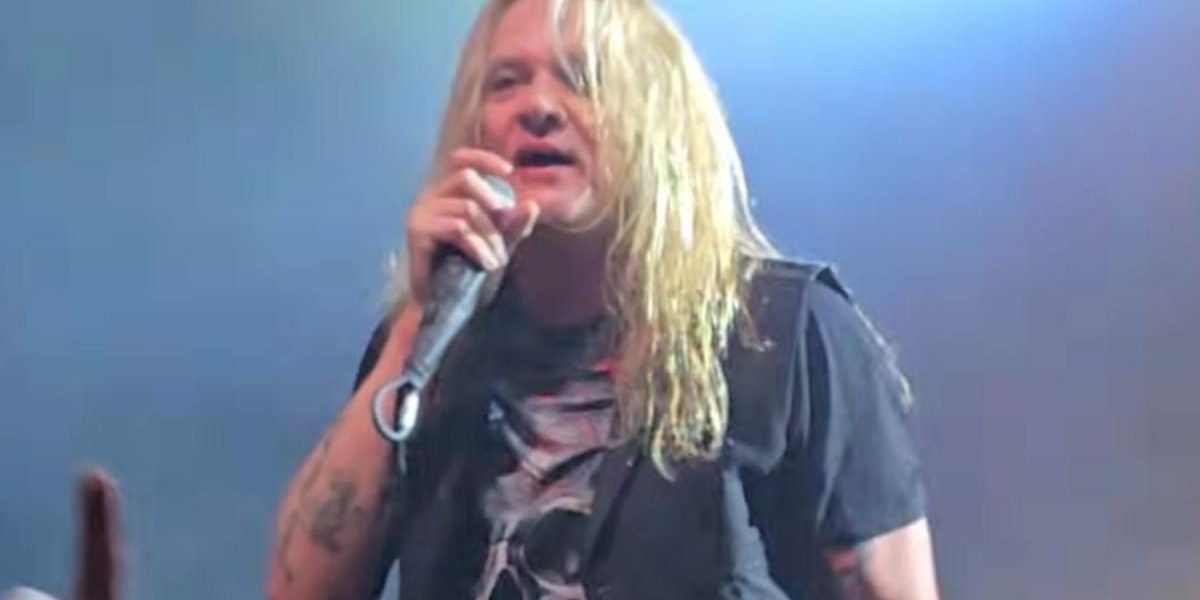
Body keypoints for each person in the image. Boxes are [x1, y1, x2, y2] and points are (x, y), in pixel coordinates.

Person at [267, 0, 939, 598]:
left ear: (656, 125)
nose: (538, 106)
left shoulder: (783, 335)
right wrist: (423, 317)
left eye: (582, 79)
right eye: (506, 82)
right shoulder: (427, 352)